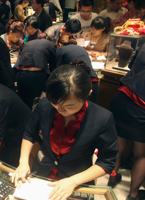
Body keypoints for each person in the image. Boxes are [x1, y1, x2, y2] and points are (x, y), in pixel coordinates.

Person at [12, 64, 118, 200]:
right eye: (55, 103)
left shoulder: (102, 118)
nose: (60, 110)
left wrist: (74, 181)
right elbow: (29, 133)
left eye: (69, 106)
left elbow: (107, 161)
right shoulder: (44, 105)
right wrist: (23, 162)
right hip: (43, 174)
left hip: (77, 179)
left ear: (88, 95)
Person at [108, 38, 145, 200]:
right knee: (142, 154)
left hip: (122, 98)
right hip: (143, 110)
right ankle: (133, 195)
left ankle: (112, 178)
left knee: (119, 146)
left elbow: (132, 65)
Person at [14, 39, 56, 108]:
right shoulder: (52, 45)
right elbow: (53, 66)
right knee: (38, 103)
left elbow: (17, 62)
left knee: (23, 102)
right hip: (37, 75)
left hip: (21, 74)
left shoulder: (27, 43)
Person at [56, 35, 99, 102]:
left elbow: (57, 69)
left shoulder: (60, 49)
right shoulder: (81, 48)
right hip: (93, 81)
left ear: (59, 44)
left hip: (78, 84)